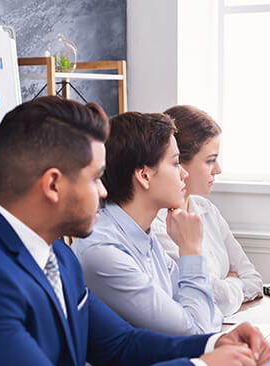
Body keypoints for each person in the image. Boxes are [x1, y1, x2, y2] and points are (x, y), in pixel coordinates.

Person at [0, 96, 270, 366]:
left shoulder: (57, 257)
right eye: (95, 178)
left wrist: (213, 343)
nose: (105, 191)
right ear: (52, 184)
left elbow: (120, 343)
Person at [72, 111, 223, 335]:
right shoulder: (104, 253)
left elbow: (211, 313)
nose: (184, 174)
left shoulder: (144, 236)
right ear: (144, 176)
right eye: (175, 163)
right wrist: (191, 250)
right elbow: (197, 332)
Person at [151, 105, 263, 317]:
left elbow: (254, 279)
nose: (218, 169)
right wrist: (234, 282)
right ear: (179, 162)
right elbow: (214, 298)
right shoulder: (155, 225)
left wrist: (226, 287)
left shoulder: (207, 209)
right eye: (210, 160)